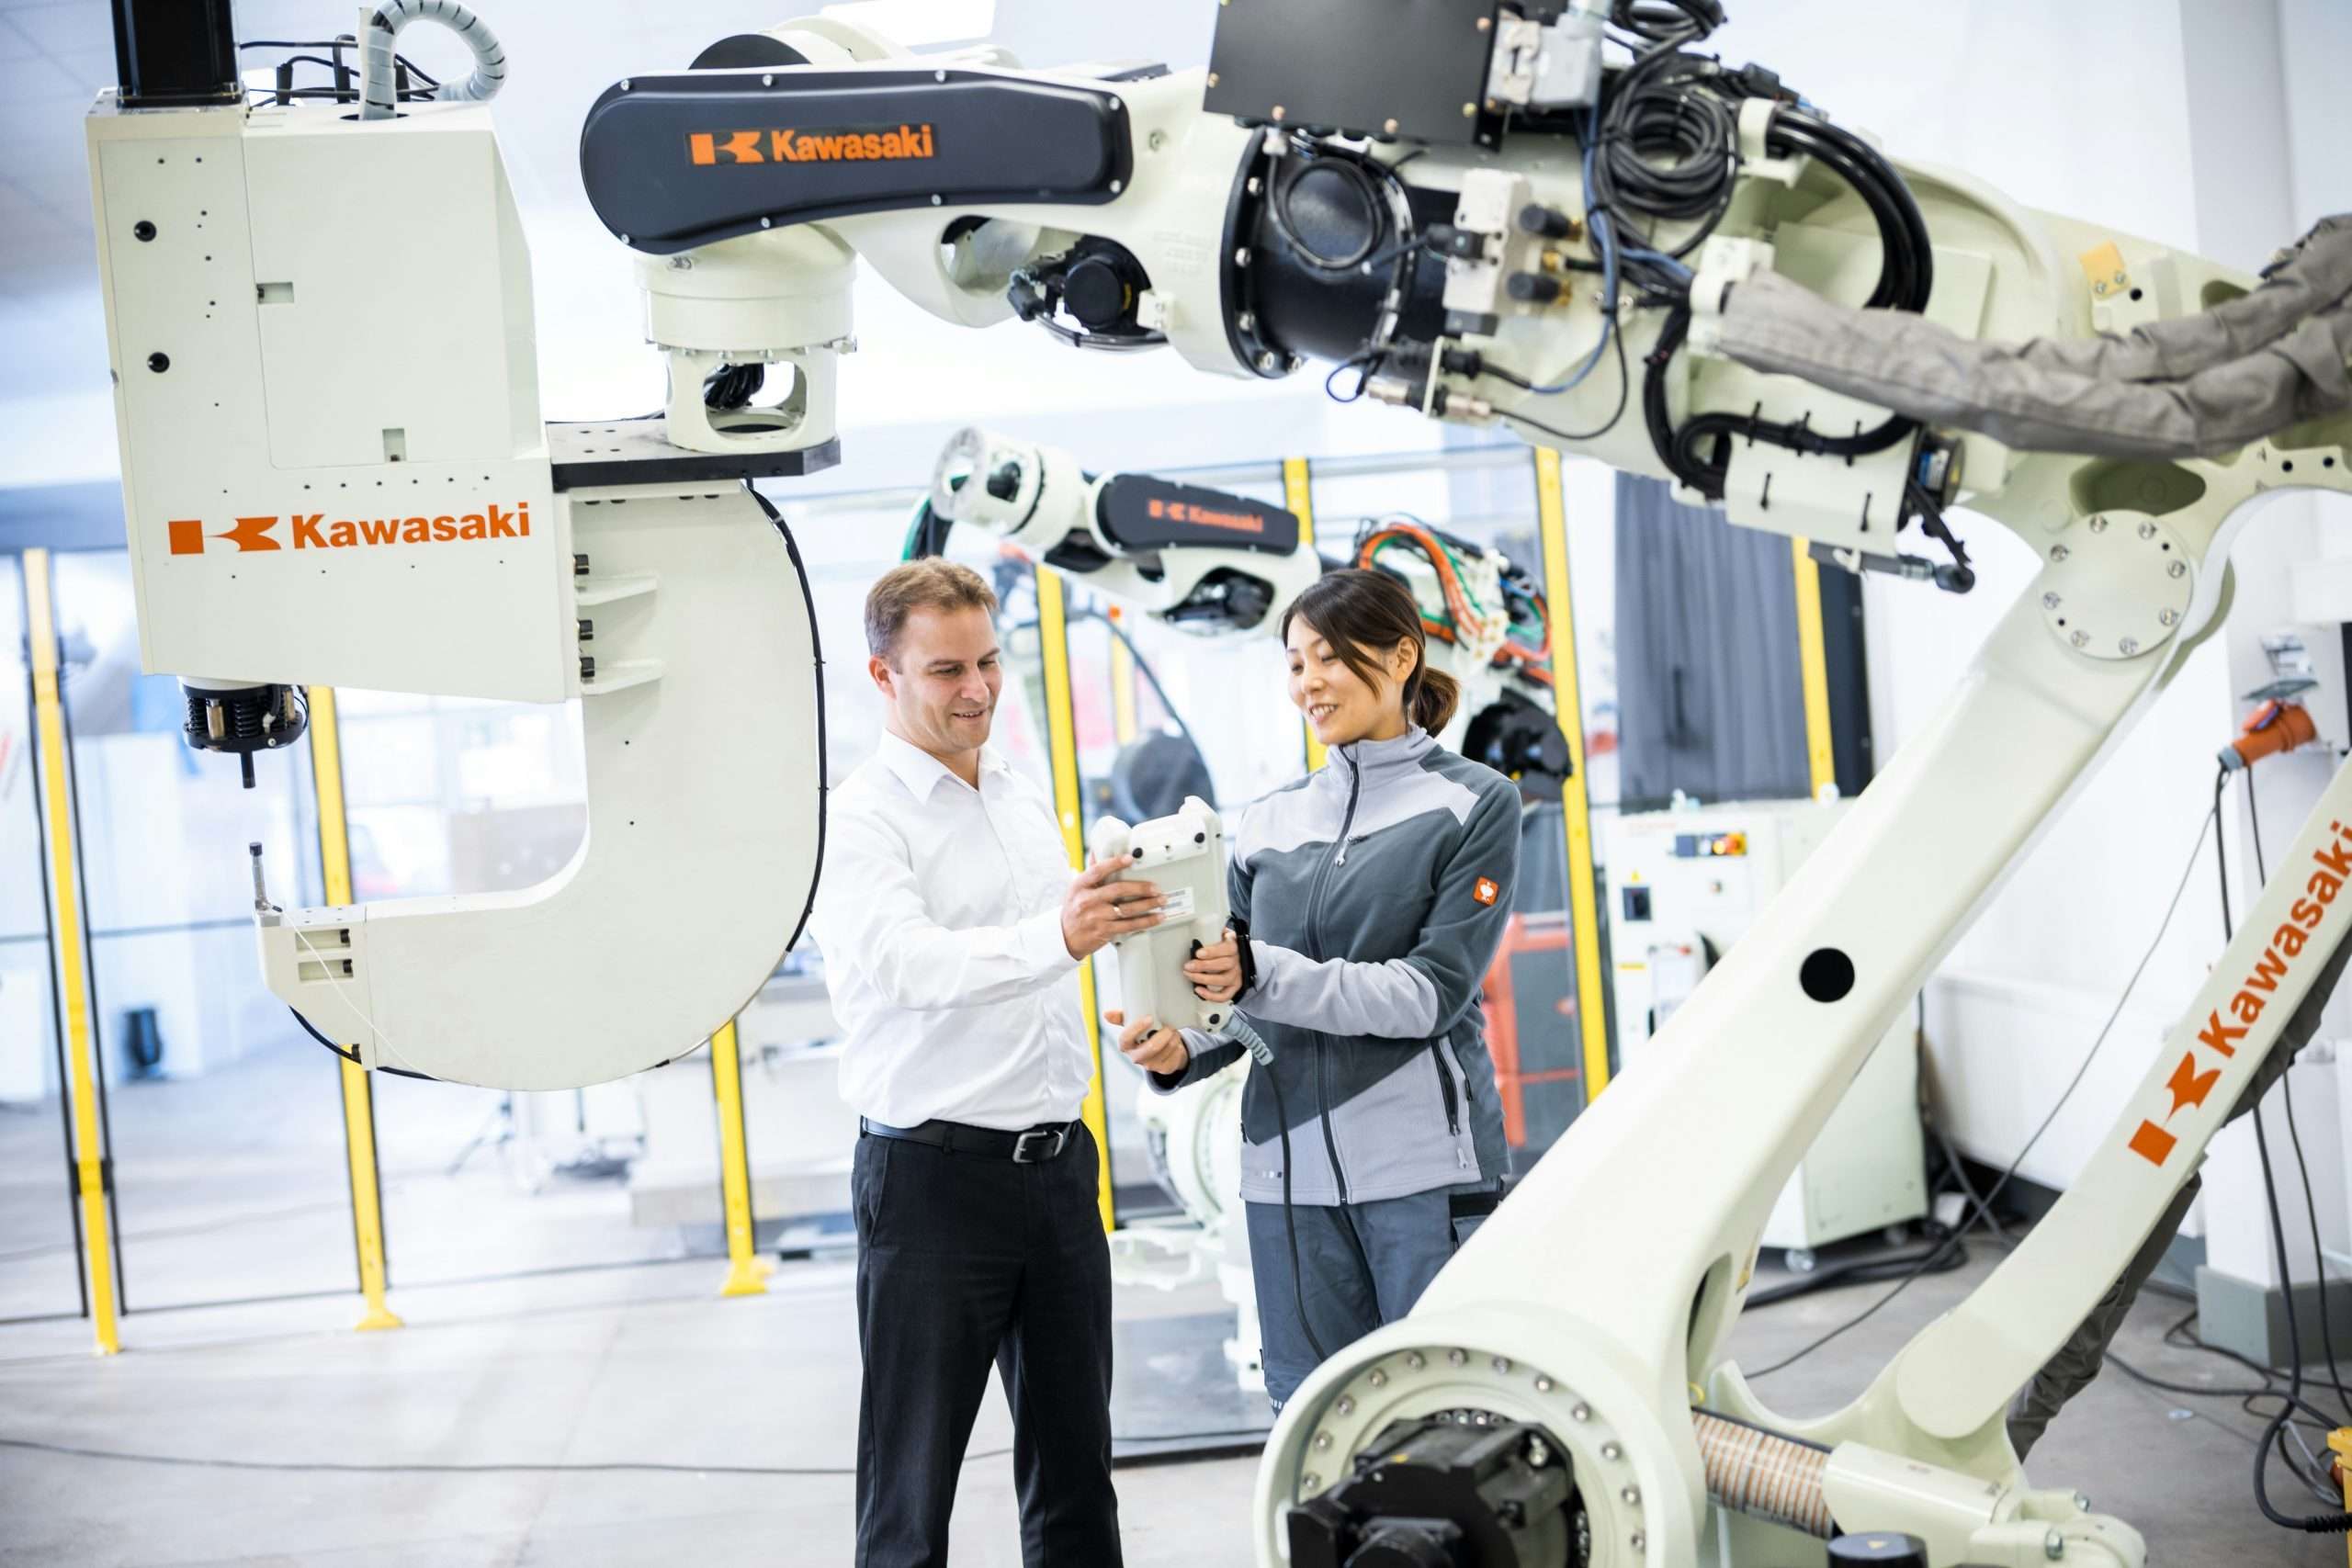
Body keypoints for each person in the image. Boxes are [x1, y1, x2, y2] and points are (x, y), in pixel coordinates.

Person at [809, 558, 1163, 1568]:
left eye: (989, 662)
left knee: (1076, 1479)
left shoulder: (1016, 789)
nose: (977, 690)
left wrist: (1124, 982)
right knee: (911, 1495)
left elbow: (1045, 968)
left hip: (1057, 1175)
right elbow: (908, 965)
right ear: (883, 678)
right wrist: (1060, 932)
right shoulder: (858, 817)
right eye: (944, 671)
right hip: (932, 1185)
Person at [1113, 567, 1521, 1406]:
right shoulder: (1263, 822)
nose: (1309, 682)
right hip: (1283, 1183)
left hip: (1422, 1177)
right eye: (1295, 663)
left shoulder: (1475, 804)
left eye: (1330, 657)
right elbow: (1230, 999)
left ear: (1402, 655)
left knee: (1443, 1409)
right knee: (1311, 1418)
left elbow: (1427, 994)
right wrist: (1176, 1045)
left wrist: (1260, 972)